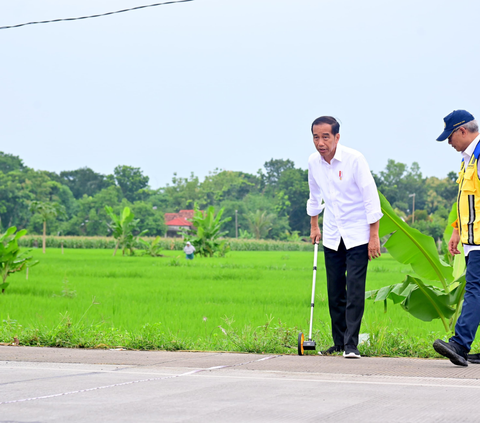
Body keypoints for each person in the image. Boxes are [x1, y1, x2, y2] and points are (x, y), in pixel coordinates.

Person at [307, 116, 383, 359]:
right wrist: (314, 226)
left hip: (358, 234)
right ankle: (338, 343)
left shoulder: (354, 159)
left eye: (325, 137)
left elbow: (371, 197)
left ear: (337, 137)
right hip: (331, 233)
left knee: (355, 290)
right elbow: (314, 195)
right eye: (316, 137)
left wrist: (374, 236)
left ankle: (352, 345)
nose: (320, 142)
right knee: (335, 290)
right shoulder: (313, 162)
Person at [433, 109, 480, 367]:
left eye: (450, 137)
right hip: (472, 238)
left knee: (475, 289)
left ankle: (460, 343)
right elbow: (467, 199)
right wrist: (456, 230)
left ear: (462, 130)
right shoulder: (468, 158)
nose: (449, 143)